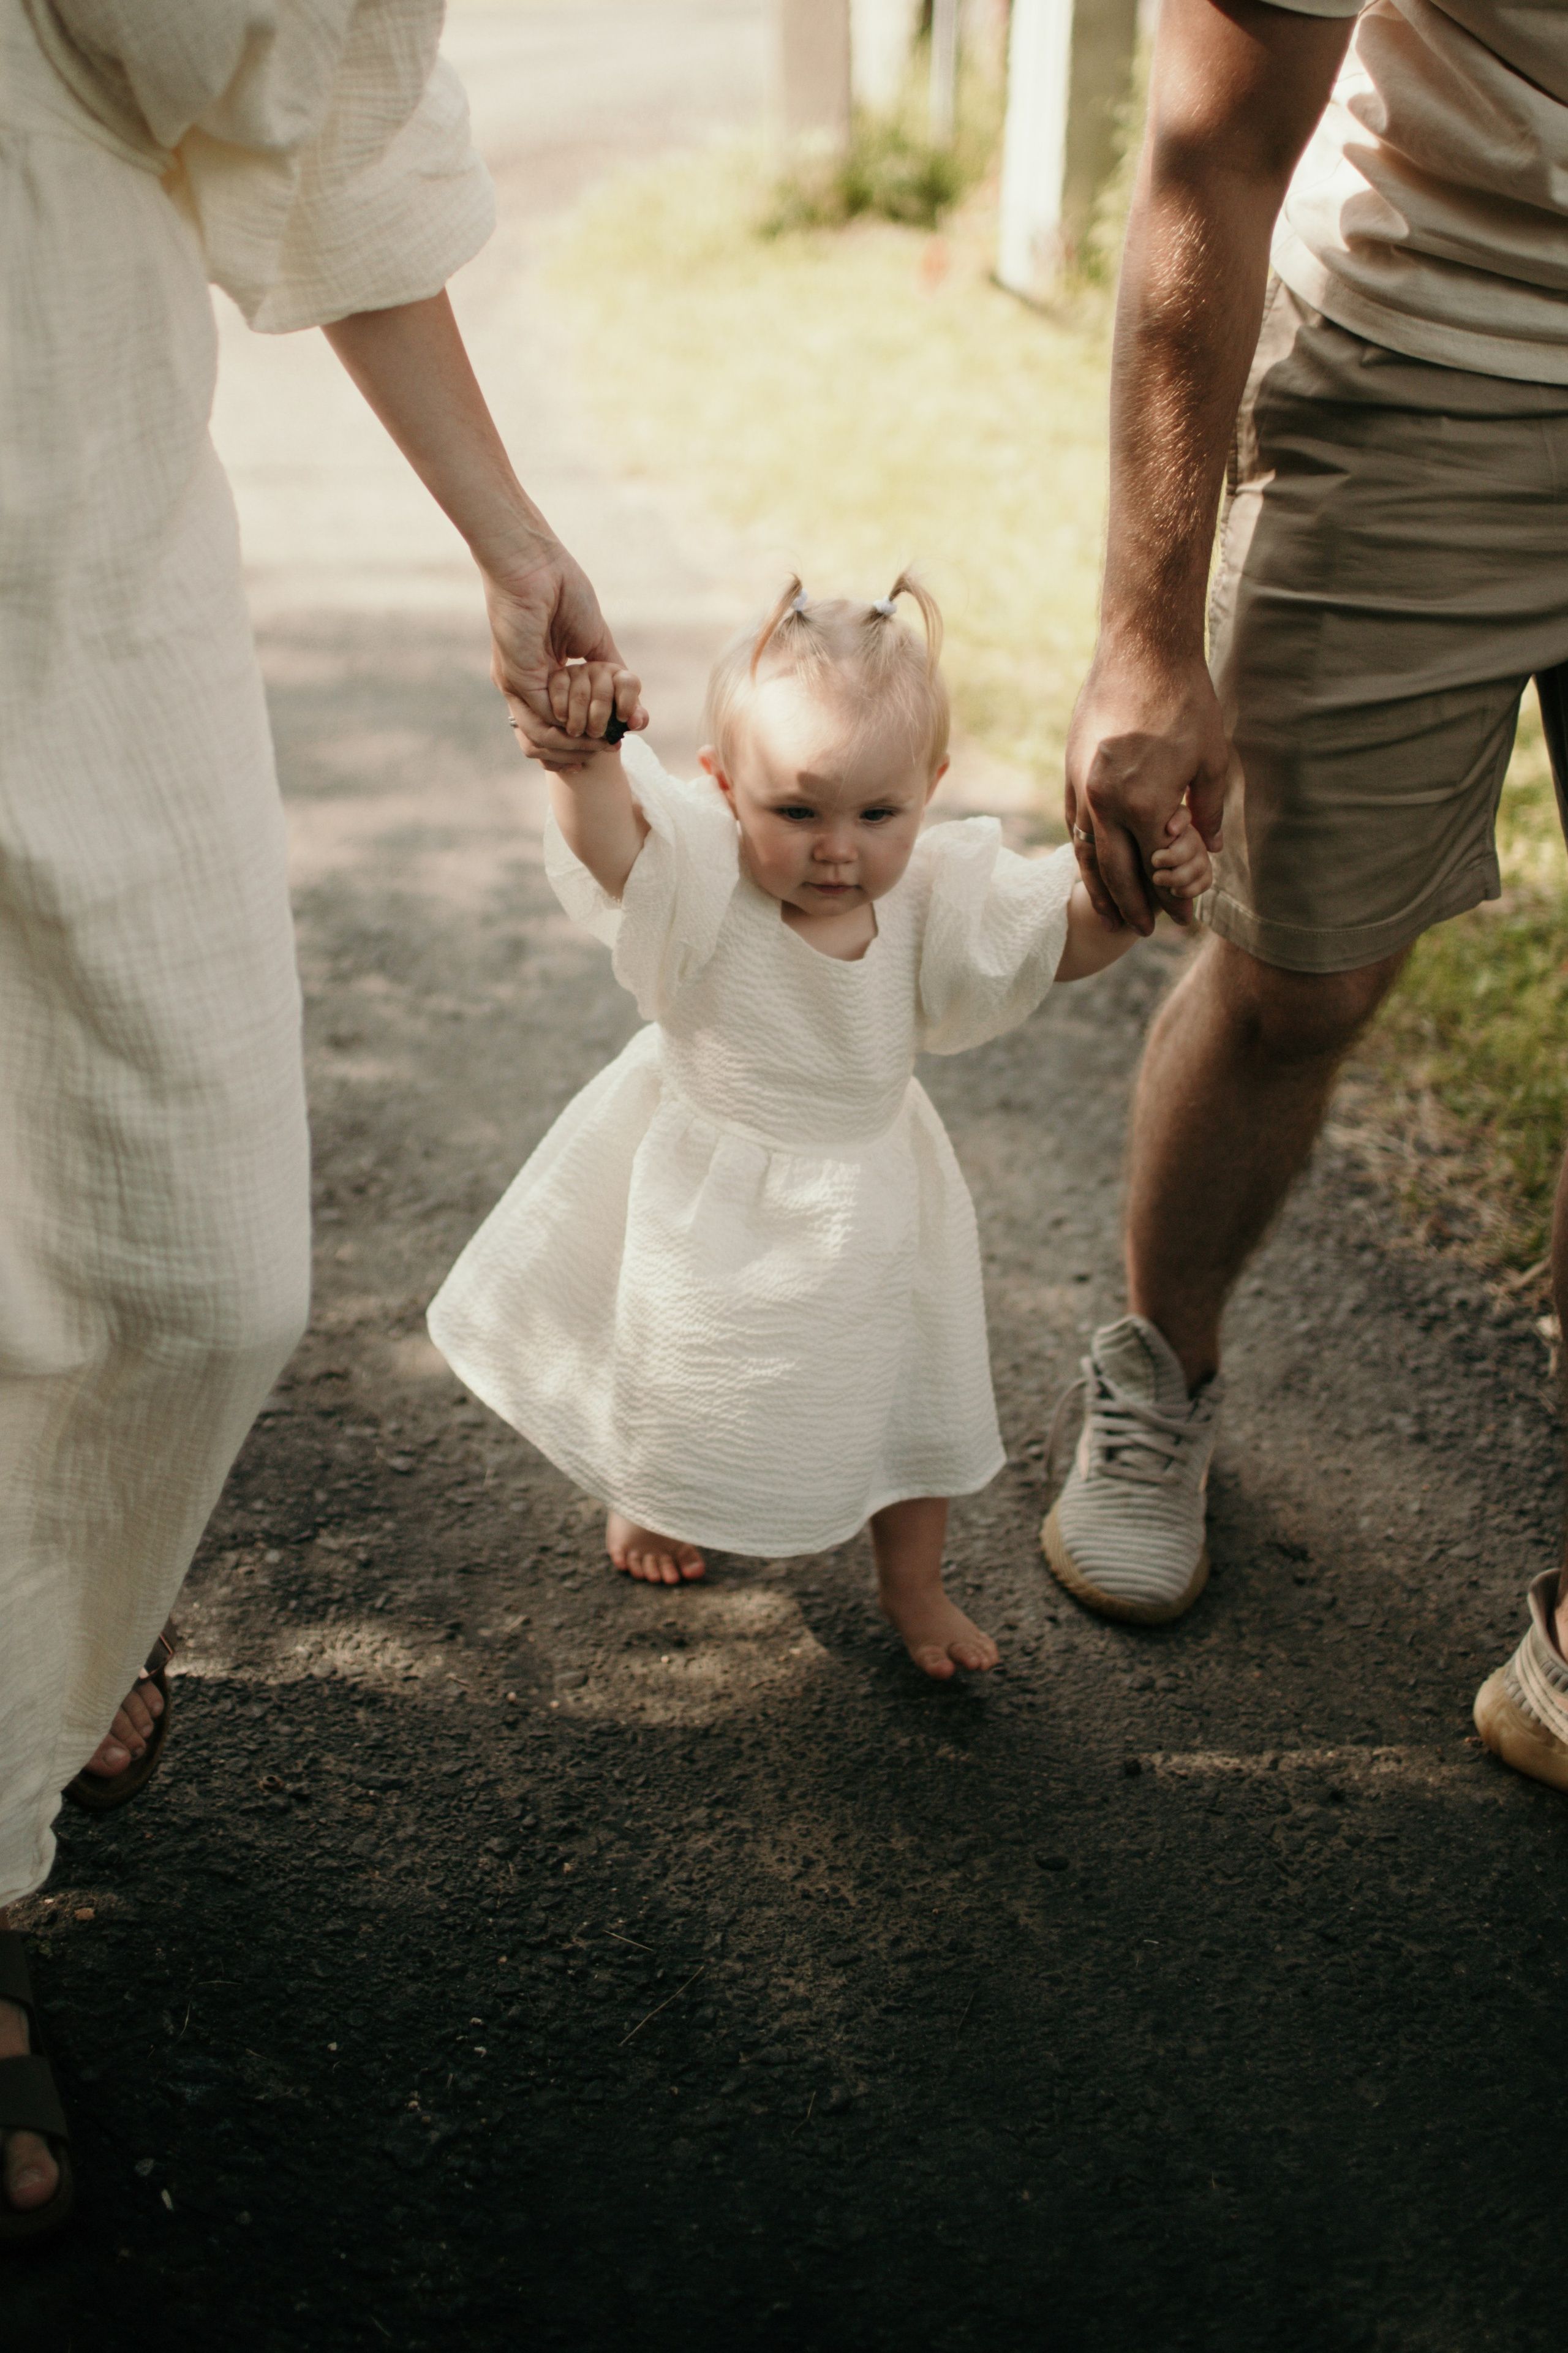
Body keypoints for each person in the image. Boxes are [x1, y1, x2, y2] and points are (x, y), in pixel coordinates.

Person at [0, 0, 640, 2242]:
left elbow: (313, 105)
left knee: (196, 1270)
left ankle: (48, 1627)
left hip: (76, 583)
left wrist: (505, 527)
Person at [1046, 0, 1568, 1785]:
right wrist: (1143, 637)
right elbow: (1218, 138)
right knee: (1299, 977)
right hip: (1437, 360)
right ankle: (1160, 1375)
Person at [428, 575, 1212, 1684]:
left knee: (906, 1385)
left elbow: (1051, 939)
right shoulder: (704, 871)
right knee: (678, 1355)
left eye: (876, 815)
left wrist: (1135, 893)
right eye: (796, 812)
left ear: (929, 793)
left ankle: (914, 1582)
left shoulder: (933, 895)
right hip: (710, 1170)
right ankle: (656, 1495)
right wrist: (585, 762)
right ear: (723, 787)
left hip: (871, 1185)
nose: (837, 848)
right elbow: (617, 855)